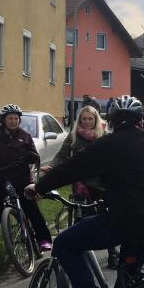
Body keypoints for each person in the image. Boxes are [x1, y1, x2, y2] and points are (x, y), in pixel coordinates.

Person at [26, 95, 144, 288]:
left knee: (65, 243)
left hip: (124, 222)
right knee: (129, 280)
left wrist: (40, 187)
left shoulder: (109, 144)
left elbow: (73, 168)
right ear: (140, 120)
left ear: (111, 120)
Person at [44, 105, 118, 268]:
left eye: (90, 118)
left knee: (107, 219)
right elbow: (61, 155)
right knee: (81, 220)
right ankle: (80, 255)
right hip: (81, 184)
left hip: (102, 184)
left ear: (96, 119)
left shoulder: (104, 136)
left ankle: (113, 254)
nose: (87, 122)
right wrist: (52, 167)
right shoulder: (74, 136)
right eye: (84, 119)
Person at [0, 104, 52, 263]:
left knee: (32, 209)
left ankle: (43, 240)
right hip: (0, 178)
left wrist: (31, 156)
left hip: (22, 179)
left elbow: (34, 155)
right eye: (10, 118)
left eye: (16, 119)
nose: (13, 121)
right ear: (3, 120)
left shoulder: (24, 136)